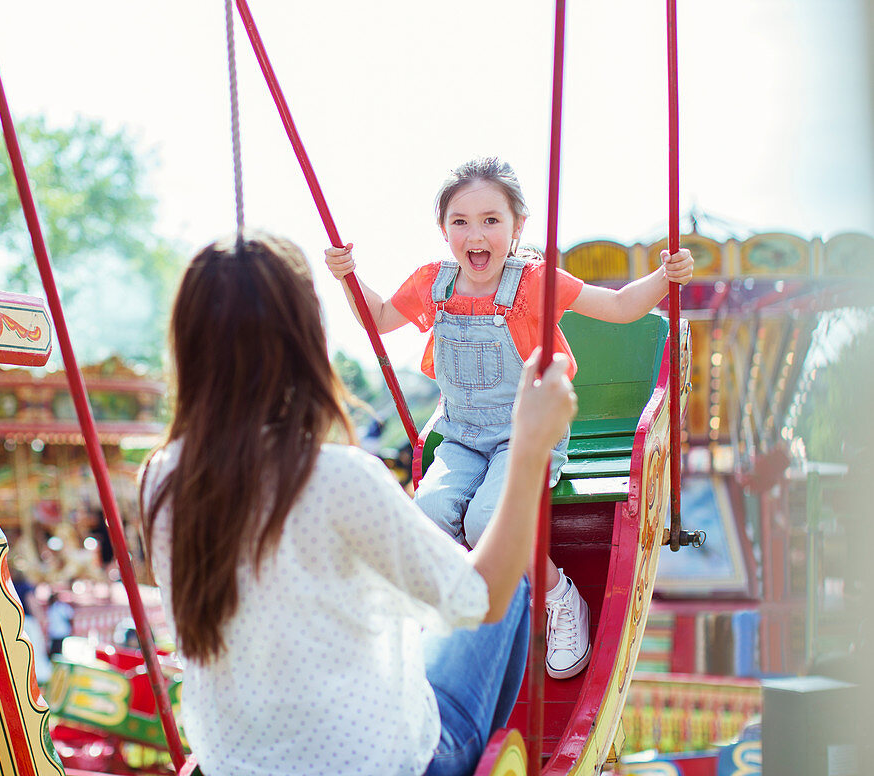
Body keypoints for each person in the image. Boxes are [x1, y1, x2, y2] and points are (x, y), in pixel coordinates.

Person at [139, 233, 577, 776]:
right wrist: (530, 447)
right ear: (306, 340)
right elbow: (482, 599)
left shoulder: (160, 479)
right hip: (379, 764)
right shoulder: (335, 477)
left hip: (237, 762)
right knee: (513, 586)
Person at [324, 156, 694, 678]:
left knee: (484, 519)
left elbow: (617, 308)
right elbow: (378, 317)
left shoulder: (534, 284)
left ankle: (559, 595)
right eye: (461, 221)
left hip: (527, 436)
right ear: (444, 230)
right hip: (458, 435)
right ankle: (464, 608)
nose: (476, 234)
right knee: (425, 514)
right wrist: (348, 277)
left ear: (518, 227)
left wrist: (663, 278)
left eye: (491, 220)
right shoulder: (435, 282)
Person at [45, 592, 74, 658]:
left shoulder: (61, 607)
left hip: (60, 632)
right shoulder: (52, 608)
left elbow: (70, 618)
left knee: (58, 652)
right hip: (57, 633)